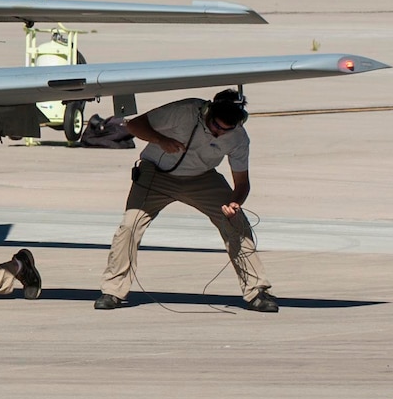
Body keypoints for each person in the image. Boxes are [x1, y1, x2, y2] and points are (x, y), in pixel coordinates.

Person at [96, 88, 275, 312]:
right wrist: (161, 140)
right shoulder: (184, 111)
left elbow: (242, 183)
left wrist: (234, 203)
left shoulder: (238, 138)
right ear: (207, 112)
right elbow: (133, 125)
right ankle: (112, 291)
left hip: (202, 178)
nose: (219, 133)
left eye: (226, 130)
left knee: (236, 224)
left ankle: (257, 291)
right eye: (216, 126)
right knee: (130, 226)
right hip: (156, 174)